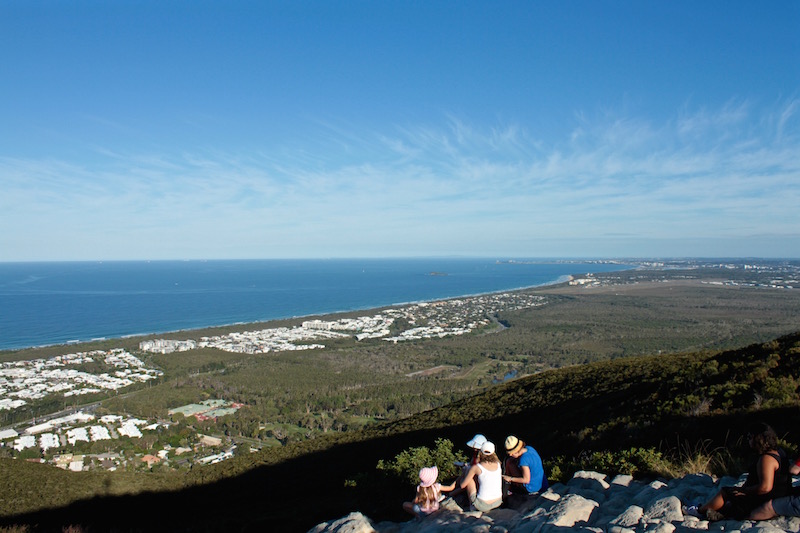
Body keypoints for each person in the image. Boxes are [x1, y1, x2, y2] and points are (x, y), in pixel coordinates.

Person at [684, 423, 791, 521]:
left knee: (726, 492)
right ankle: (718, 511)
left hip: (764, 500)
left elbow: (765, 487)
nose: (748, 441)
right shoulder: (780, 452)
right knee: (732, 497)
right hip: (778, 496)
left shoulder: (766, 459)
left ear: (758, 439)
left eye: (750, 437)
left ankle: (698, 511)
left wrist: (745, 490)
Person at [442, 441, 503, 512]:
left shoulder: (477, 467)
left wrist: (465, 472)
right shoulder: (498, 464)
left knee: (470, 479)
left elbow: (462, 485)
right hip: (498, 502)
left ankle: (472, 505)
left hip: (483, 505)